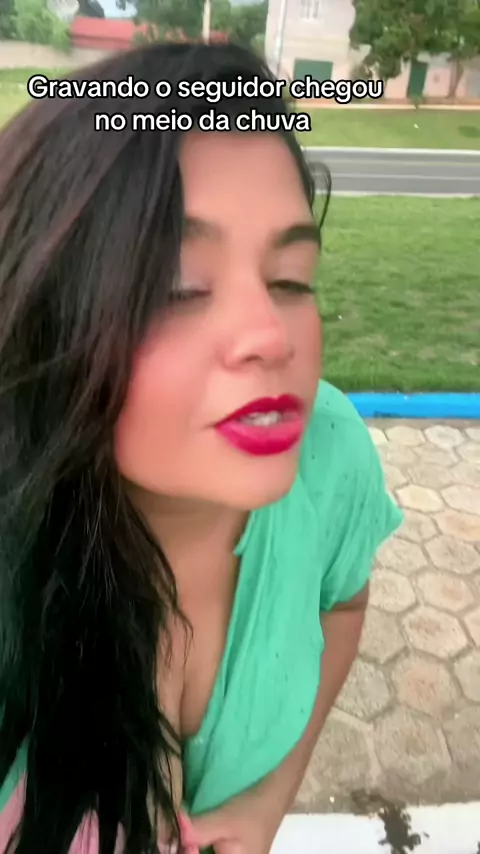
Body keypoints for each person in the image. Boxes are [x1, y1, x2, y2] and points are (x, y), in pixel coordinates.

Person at [0, 41, 404, 854]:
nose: (271, 336)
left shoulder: (328, 452)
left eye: (291, 279)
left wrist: (268, 799)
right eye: (180, 286)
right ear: (47, 315)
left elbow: (343, 605)